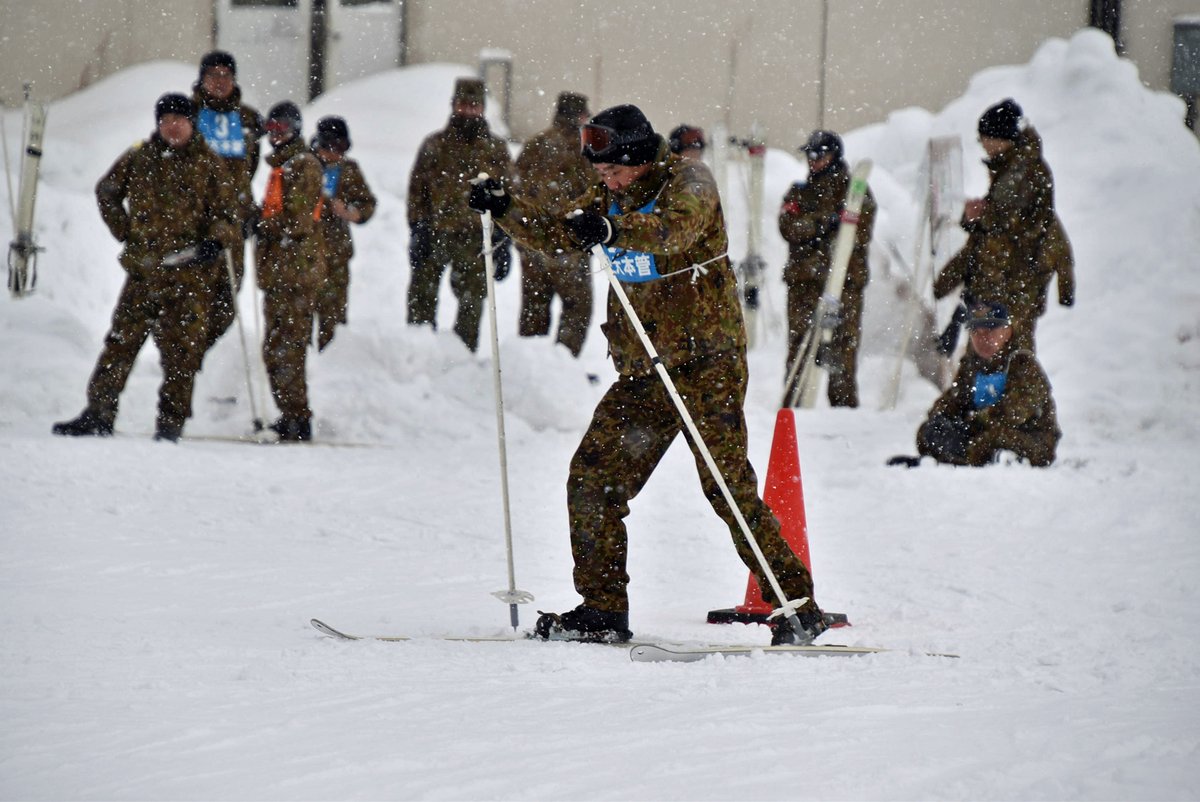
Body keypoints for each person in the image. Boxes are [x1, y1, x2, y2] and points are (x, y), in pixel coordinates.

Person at [468, 104, 827, 646]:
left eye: (612, 171)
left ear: (637, 158)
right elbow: (561, 231)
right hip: (644, 370)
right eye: (600, 175)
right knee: (592, 480)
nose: (605, 182)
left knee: (725, 487)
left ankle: (797, 605)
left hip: (706, 363)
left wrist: (612, 227)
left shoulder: (689, 181)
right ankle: (602, 609)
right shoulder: (610, 195)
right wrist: (505, 209)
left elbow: (674, 232)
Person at [52, 93, 239, 442]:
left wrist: (216, 239)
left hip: (189, 277)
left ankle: (170, 423)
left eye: (179, 120)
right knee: (120, 343)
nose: (172, 126)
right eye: (165, 119)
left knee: (181, 354)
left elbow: (229, 216)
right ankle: (99, 413)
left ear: (191, 123)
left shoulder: (209, 164)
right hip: (144, 273)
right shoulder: (140, 156)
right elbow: (106, 191)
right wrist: (125, 231)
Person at [933, 98, 1071, 352]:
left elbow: (1004, 230)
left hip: (1012, 287)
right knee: (994, 361)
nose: (983, 146)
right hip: (1006, 287)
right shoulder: (1015, 168)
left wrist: (977, 218)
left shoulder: (1021, 173)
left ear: (999, 138)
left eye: (984, 138)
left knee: (1008, 360)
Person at [406, 78, 513, 351]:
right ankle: (418, 355)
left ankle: (461, 360)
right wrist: (418, 228)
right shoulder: (435, 145)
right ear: (453, 105)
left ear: (483, 108)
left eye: (474, 105)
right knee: (422, 295)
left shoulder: (496, 149)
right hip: (436, 233)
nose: (468, 110)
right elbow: (418, 190)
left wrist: (504, 238)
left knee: (472, 302)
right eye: (463, 104)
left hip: (477, 239)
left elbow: (510, 195)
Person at [890, 301, 1060, 468]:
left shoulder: (1022, 363)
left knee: (991, 440)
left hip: (1027, 437)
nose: (982, 338)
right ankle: (951, 460)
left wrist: (971, 424)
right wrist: (941, 419)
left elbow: (1014, 413)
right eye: (976, 332)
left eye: (990, 331)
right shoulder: (972, 365)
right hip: (979, 432)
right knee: (931, 431)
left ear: (1006, 332)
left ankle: (972, 461)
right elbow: (954, 398)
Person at [778, 130, 876, 407]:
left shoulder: (855, 191)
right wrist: (824, 223)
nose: (813, 161)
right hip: (803, 285)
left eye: (819, 155)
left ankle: (843, 414)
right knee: (799, 349)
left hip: (843, 285)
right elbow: (788, 226)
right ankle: (791, 413)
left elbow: (859, 232)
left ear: (834, 156)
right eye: (809, 155)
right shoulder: (799, 192)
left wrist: (826, 228)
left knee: (841, 353)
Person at [254, 101, 325, 442]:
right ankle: (290, 413)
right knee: (277, 346)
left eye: (282, 128)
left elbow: (297, 221)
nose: (275, 135)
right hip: (280, 273)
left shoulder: (304, 165)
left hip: (295, 274)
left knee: (288, 347)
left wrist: (263, 225)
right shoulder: (283, 167)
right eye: (272, 129)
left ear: (295, 129)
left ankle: (298, 417)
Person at [190, 50, 264, 355]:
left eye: (226, 76)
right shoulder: (188, 115)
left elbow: (251, 166)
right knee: (193, 296)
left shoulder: (247, 119)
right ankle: (186, 360)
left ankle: (209, 356)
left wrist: (245, 207)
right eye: (213, 76)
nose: (220, 82)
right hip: (197, 223)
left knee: (228, 297)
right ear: (202, 79)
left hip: (233, 223)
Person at [512, 91, 594, 357]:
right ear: (579, 115)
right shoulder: (585, 150)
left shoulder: (536, 144)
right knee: (577, 307)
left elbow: (514, 188)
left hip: (532, 241)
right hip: (568, 244)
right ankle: (563, 364)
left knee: (534, 307)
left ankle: (529, 364)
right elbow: (597, 192)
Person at [310, 116, 377, 351]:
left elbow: (367, 203)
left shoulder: (349, 170)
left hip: (336, 253)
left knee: (334, 316)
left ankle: (332, 360)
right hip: (305, 252)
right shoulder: (305, 165)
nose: (334, 154)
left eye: (341, 148)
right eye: (330, 147)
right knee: (300, 314)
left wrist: (351, 213)